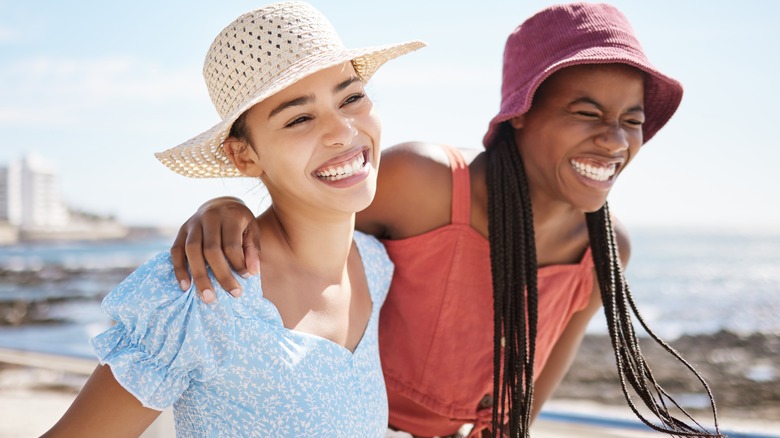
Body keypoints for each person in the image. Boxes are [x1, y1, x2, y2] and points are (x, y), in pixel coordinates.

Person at [170, 3, 724, 438]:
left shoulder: (605, 249)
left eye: (633, 120)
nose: (615, 139)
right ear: (520, 111)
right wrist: (227, 208)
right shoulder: (423, 183)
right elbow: (304, 219)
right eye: (587, 112)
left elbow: (525, 401)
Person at [42, 2, 424, 437]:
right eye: (299, 118)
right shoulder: (203, 293)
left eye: (351, 97)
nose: (342, 131)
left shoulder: (377, 265)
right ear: (244, 155)